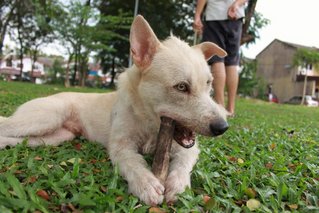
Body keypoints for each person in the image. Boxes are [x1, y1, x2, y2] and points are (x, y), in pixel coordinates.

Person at [193, 0, 247, 116]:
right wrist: (236, 4)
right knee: (232, 62)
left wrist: (198, 15)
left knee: (217, 59)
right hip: (236, 16)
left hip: (215, 15)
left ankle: (220, 107)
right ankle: (231, 108)